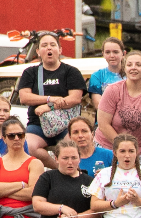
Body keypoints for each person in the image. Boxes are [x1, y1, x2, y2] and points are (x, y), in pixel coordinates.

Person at [16, 33, 88, 163]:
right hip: (38, 124)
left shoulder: (72, 72)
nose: (49, 48)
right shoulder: (30, 73)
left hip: (66, 124)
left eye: (53, 45)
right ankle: (57, 169)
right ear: (38, 52)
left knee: (72, 149)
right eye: (44, 45)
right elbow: (24, 97)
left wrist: (49, 106)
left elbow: (75, 99)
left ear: (60, 50)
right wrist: (50, 99)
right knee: (28, 147)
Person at [98, 50, 141, 154]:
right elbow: (103, 125)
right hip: (109, 148)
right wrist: (124, 148)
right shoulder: (112, 90)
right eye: (129, 64)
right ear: (124, 68)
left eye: (138, 65)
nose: (133, 67)